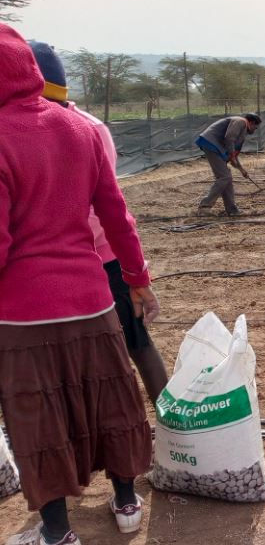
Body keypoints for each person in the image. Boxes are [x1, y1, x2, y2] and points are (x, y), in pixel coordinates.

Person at [0, 23, 159, 545]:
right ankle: (126, 502)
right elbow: (117, 216)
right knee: (107, 396)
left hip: (22, 313)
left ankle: (57, 536)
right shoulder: (80, 128)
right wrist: (136, 279)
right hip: (93, 299)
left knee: (39, 414)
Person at [28, 41, 169, 406]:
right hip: (83, 259)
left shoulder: (84, 129)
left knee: (134, 343)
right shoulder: (72, 126)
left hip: (97, 259)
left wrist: (136, 272)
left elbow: (105, 206)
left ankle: (175, 426)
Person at [195, 112, 262, 216]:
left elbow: (233, 155)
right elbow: (229, 138)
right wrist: (231, 156)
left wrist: (241, 170)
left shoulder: (242, 129)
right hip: (211, 144)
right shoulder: (241, 122)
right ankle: (204, 207)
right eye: (256, 127)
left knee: (227, 178)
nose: (255, 130)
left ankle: (232, 210)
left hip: (215, 146)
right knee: (224, 177)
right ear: (252, 122)